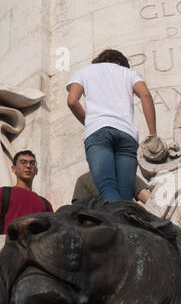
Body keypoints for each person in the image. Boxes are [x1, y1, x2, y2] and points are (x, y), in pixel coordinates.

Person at [66, 49, 158, 201]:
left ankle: (116, 220)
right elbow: (146, 95)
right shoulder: (129, 74)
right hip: (127, 134)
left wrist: (88, 123)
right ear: (120, 62)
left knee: (107, 187)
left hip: (98, 132)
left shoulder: (84, 71)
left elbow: (72, 101)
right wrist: (153, 134)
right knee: (125, 195)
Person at [0, 150, 53, 235]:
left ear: (36, 171)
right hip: (9, 247)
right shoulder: (1, 193)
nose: (28, 166)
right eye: (23, 162)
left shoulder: (46, 204)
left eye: (32, 163)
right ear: (14, 169)